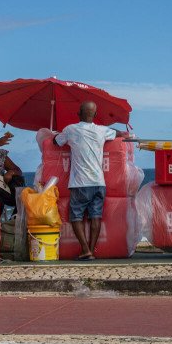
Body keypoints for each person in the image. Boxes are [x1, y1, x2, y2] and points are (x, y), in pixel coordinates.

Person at [53, 101, 118, 260]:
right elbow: (118, 133)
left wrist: (53, 134)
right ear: (95, 115)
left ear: (78, 113)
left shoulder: (71, 129)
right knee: (95, 216)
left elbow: (57, 141)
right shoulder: (102, 130)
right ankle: (91, 250)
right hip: (99, 182)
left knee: (76, 216)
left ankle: (85, 250)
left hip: (80, 183)